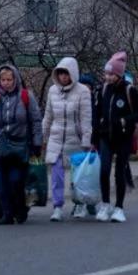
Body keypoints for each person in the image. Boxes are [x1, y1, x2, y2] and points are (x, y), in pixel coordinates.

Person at [0, 63, 41, 226]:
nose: (6, 83)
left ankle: (20, 208)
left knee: (16, 181)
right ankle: (7, 214)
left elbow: (35, 121)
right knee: (2, 184)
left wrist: (37, 144)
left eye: (9, 79)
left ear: (15, 79)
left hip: (20, 147)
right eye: (3, 80)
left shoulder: (26, 97)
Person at [91, 53, 138, 223]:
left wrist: (125, 120)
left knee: (119, 172)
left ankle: (119, 207)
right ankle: (105, 204)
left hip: (123, 137)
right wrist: (94, 138)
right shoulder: (102, 90)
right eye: (106, 74)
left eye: (111, 74)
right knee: (104, 169)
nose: (108, 77)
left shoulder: (129, 90)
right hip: (105, 136)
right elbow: (96, 115)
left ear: (119, 74)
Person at [42, 56, 92, 221]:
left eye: (67, 74)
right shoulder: (52, 91)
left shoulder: (83, 91)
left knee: (77, 177)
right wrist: (43, 136)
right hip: (56, 139)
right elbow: (48, 116)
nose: (63, 77)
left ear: (73, 74)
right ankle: (57, 207)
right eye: (61, 73)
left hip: (75, 139)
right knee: (56, 175)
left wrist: (86, 140)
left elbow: (86, 118)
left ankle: (80, 204)